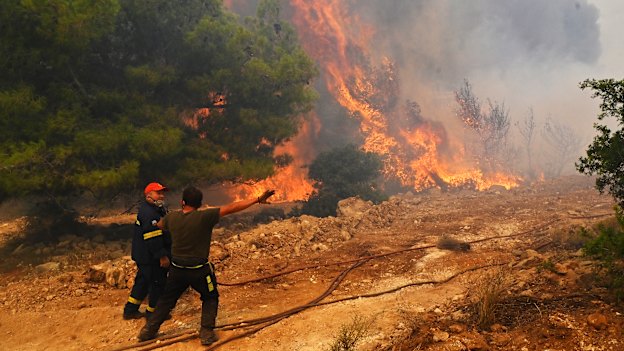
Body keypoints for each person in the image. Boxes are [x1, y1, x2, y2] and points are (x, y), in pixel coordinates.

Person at [138, 185, 275, 345]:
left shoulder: (172, 218)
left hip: (177, 270)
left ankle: (148, 331)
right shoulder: (205, 217)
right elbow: (231, 208)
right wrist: (258, 199)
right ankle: (206, 332)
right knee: (210, 297)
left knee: (167, 299)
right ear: (200, 204)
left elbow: (160, 225)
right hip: (199, 271)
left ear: (183, 202)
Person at [123, 182, 172, 320]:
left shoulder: (155, 209)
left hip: (144, 255)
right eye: (158, 193)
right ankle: (154, 313)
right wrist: (162, 256)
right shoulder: (149, 213)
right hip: (150, 257)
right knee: (158, 282)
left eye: (163, 193)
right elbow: (152, 237)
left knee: (143, 281)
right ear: (149, 195)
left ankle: (130, 310)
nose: (162, 195)